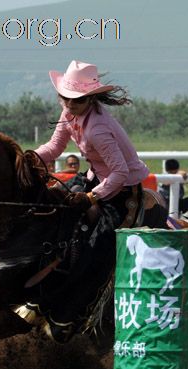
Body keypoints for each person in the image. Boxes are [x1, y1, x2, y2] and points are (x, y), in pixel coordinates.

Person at [30, 59, 150, 340]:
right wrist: (30, 158)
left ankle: (75, 313)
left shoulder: (98, 128)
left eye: (77, 100)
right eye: (66, 98)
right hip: (96, 178)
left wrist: (91, 197)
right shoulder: (68, 114)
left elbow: (120, 173)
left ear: (91, 98)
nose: (70, 105)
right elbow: (54, 147)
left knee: (97, 251)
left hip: (122, 193)